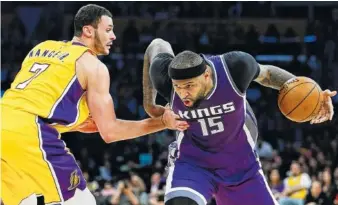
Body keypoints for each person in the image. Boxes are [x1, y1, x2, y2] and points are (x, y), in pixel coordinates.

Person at [1, 5, 188, 205]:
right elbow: (110, 132)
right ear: (88, 30)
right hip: (29, 132)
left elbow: (35, 104)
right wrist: (163, 122)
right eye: (108, 29)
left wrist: (78, 120)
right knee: (82, 201)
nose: (114, 36)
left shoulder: (41, 48)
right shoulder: (93, 66)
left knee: (26, 201)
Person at [142, 38, 336, 205]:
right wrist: (149, 104)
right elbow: (156, 44)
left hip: (241, 165)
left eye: (189, 86)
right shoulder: (164, 77)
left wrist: (312, 95)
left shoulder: (234, 67)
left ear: (207, 75)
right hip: (193, 161)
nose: (183, 93)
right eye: (178, 87)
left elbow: (267, 74)